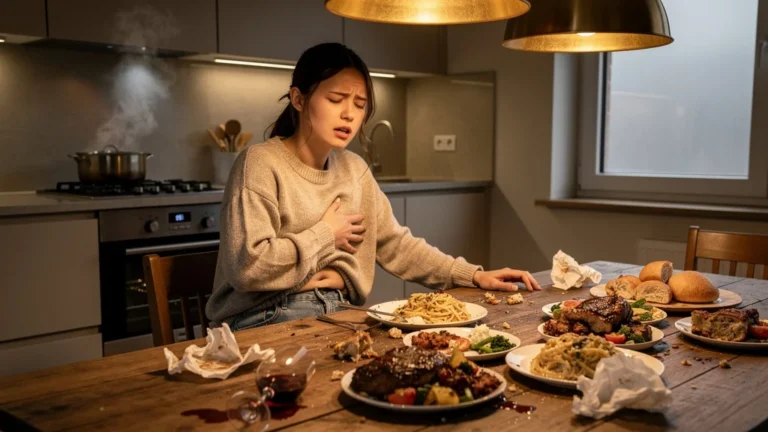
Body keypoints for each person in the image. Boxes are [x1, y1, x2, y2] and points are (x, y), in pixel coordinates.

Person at [205, 43, 541, 331]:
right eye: (337, 99)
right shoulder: (260, 163)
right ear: (298, 98)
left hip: (336, 310)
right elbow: (249, 267)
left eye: (360, 104)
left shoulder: (354, 170)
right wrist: (326, 233)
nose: (349, 114)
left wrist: (472, 275)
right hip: (264, 316)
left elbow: (397, 245)